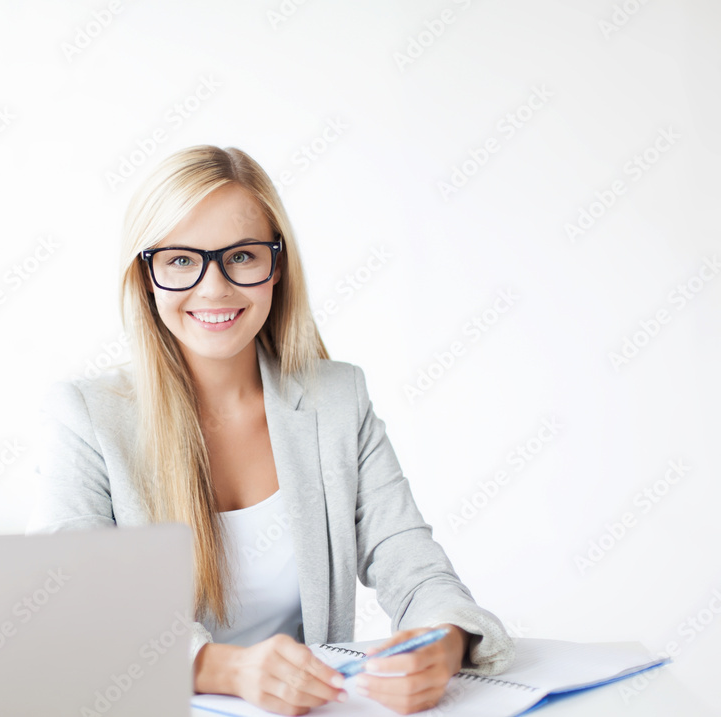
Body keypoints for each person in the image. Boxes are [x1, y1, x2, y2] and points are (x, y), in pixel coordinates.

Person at [26, 144, 515, 714]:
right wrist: (222, 669)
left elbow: (411, 562)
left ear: (276, 265)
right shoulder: (84, 416)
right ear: (145, 273)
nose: (214, 288)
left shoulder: (338, 398)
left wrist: (444, 640)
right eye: (181, 260)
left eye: (242, 256)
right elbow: (73, 608)